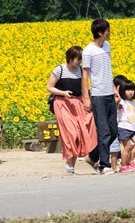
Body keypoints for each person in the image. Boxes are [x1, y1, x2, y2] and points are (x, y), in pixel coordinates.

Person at [48, 46, 97, 174]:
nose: (79, 62)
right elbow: (50, 87)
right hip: (62, 103)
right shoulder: (59, 70)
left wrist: (87, 101)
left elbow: (83, 88)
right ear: (70, 57)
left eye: (81, 59)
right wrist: (63, 93)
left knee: (81, 132)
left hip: (78, 103)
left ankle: (72, 165)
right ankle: (69, 163)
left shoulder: (81, 70)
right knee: (71, 133)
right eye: (77, 59)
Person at [82, 19, 118, 174]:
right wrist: (86, 98)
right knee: (104, 131)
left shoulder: (107, 46)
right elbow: (85, 75)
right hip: (98, 95)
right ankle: (104, 164)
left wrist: (114, 90)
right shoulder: (88, 51)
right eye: (108, 31)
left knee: (113, 131)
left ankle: (93, 156)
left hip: (109, 94)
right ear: (100, 33)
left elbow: (107, 69)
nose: (110, 33)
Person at [117, 79, 135, 173]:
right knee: (127, 147)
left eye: (132, 90)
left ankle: (129, 161)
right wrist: (117, 92)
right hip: (123, 127)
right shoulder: (122, 102)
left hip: (132, 128)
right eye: (127, 90)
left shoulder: (133, 103)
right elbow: (117, 102)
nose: (130, 92)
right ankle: (123, 166)